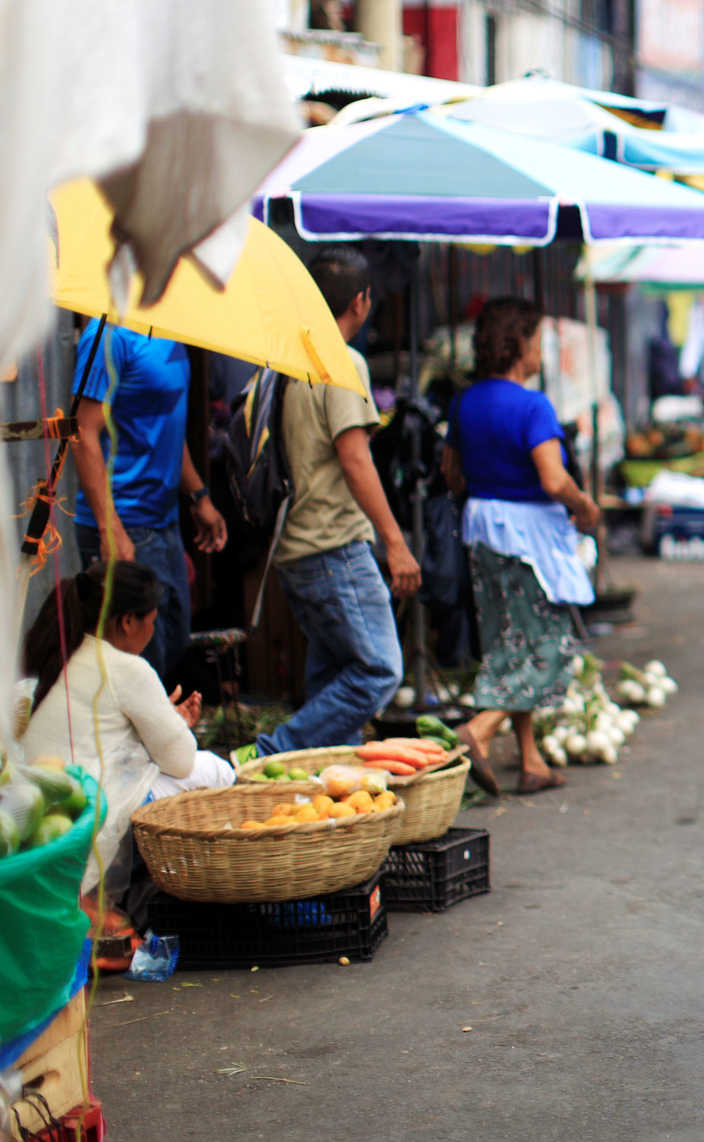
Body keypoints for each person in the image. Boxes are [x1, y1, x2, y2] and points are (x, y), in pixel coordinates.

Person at [239, 247, 421, 764]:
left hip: (297, 546)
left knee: (332, 675)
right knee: (380, 670)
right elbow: (355, 458)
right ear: (361, 303)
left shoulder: (285, 362)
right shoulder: (340, 360)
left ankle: (316, 788)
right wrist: (395, 541)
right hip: (334, 544)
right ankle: (270, 754)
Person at [444, 298, 600, 796]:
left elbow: (452, 473)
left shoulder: (465, 401)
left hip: (482, 531)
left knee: (507, 642)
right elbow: (554, 479)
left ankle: (531, 761)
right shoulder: (532, 405)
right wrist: (586, 507)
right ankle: (480, 730)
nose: (541, 351)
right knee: (550, 647)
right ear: (519, 344)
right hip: (528, 539)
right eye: (536, 340)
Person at [21, 562, 235, 906]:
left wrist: (164, 717)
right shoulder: (126, 668)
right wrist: (176, 723)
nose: (152, 630)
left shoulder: (53, 654)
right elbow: (180, 762)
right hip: (90, 821)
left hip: (40, 819)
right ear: (128, 621)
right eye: (152, 621)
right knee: (214, 769)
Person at [70, 319, 228, 680]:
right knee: (139, 664)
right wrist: (110, 529)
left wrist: (198, 494)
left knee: (171, 642)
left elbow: (166, 423)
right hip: (125, 520)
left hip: (164, 521)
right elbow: (82, 433)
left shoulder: (171, 328)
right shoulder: (106, 334)